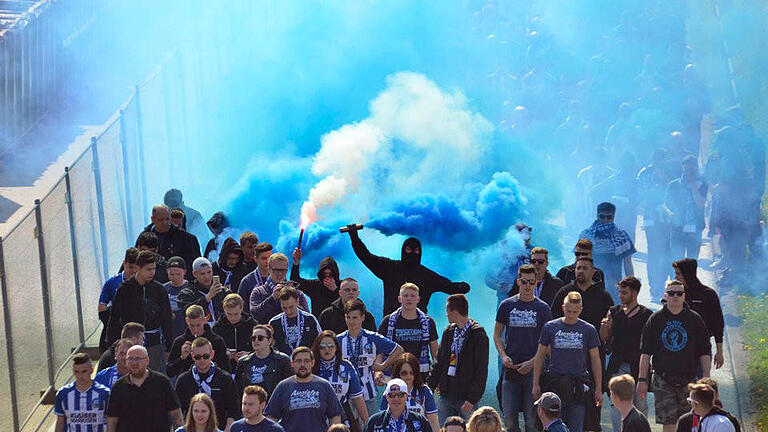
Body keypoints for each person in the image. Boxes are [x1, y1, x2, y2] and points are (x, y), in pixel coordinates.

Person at [637, 280, 712, 432]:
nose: (675, 296)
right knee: (668, 422)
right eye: (671, 293)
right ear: (665, 295)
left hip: (689, 379)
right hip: (663, 379)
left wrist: (706, 379)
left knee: (689, 422)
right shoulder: (655, 319)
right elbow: (645, 352)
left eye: (679, 293)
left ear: (684, 296)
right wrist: (642, 380)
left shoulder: (694, 319)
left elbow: (704, 351)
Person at [345, 227, 469, 315]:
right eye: (409, 249)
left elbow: (448, 286)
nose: (412, 253)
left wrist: (460, 287)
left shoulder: (427, 276)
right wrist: (355, 239)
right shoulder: (389, 267)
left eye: (415, 251)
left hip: (418, 328)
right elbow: (366, 257)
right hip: (391, 327)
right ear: (403, 249)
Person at [533, 292, 602, 432]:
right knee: (552, 427)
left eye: (575, 312)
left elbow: (595, 359)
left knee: (576, 427)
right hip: (555, 383)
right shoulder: (550, 327)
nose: (571, 315)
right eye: (568, 311)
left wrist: (599, 388)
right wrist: (535, 384)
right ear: (563, 307)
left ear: (581, 310)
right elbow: (539, 356)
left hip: (578, 386)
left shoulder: (589, 329)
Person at [494, 265, 551, 432]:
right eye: (524, 282)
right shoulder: (506, 305)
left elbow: (548, 344)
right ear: (518, 281)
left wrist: (533, 363)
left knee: (531, 421)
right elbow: (497, 335)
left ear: (536, 283)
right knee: (510, 420)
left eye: (531, 282)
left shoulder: (543, 308)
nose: (527, 286)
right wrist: (503, 356)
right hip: (510, 369)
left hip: (533, 371)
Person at [599, 276, 651, 432]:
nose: (620, 296)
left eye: (624, 292)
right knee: (617, 404)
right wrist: (604, 327)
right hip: (618, 364)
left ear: (634, 293)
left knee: (640, 406)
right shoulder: (614, 312)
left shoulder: (646, 314)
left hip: (638, 365)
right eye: (620, 292)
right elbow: (604, 338)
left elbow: (648, 345)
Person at [106, 250, 173, 373]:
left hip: (153, 342)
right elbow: (114, 318)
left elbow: (166, 318)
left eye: (154, 269)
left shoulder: (158, 289)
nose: (152, 273)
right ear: (138, 268)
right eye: (148, 269)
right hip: (130, 342)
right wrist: (113, 344)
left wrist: (169, 346)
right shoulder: (125, 289)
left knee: (153, 376)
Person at [338, 299, 404, 418]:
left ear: (363, 317)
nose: (351, 321)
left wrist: (382, 366)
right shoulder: (338, 340)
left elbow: (398, 350)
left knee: (370, 426)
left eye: (355, 317)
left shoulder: (372, 337)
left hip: (368, 394)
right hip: (345, 396)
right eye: (348, 317)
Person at [429, 294, 488, 421]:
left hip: (466, 399)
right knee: (443, 428)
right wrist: (430, 387)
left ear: (454, 312)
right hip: (447, 396)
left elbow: (481, 370)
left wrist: (472, 399)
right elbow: (439, 362)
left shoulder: (478, 335)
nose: (446, 315)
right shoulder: (448, 332)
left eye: (447, 311)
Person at [265, 346, 344, 431]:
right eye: (298, 361)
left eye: (306, 361)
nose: (302, 364)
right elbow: (271, 418)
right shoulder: (283, 386)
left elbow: (335, 416)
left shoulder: (324, 386)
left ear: (312, 363)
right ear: (292, 363)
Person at [106, 345, 183, 431]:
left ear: (147, 361)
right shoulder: (118, 387)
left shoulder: (162, 382)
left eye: (138, 359)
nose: (134, 363)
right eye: (130, 359)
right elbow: (112, 420)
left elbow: (175, 414)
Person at [175, 338, 241, 431]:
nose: (202, 360)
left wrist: (227, 430)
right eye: (198, 357)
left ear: (212, 354)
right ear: (192, 356)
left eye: (205, 356)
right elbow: (178, 410)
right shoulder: (183, 380)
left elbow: (233, 409)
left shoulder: (225, 379)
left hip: (219, 427)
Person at [378, 283, 439, 382]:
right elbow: (379, 348)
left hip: (420, 374)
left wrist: (438, 374)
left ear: (418, 299)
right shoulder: (388, 321)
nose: (409, 299)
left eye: (412, 296)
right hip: (394, 373)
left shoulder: (428, 322)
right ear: (399, 299)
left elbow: (434, 350)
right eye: (405, 296)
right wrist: (378, 370)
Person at [673, 258, 726, 370]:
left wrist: (720, 352)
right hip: (677, 348)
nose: (676, 277)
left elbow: (718, 325)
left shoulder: (708, 294)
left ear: (688, 274)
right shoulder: (676, 294)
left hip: (701, 348)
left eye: (678, 274)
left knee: (699, 385)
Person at [312, 330, 369, 431]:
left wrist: (368, 423)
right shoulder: (311, 366)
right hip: (315, 415)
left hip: (342, 416)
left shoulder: (347, 366)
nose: (327, 349)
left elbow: (357, 398)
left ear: (337, 348)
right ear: (317, 348)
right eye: (322, 347)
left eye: (331, 346)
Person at [578, 202, 635, 299]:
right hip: (591, 283)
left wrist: (632, 285)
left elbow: (627, 263)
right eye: (602, 216)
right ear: (597, 216)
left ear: (613, 217)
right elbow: (579, 260)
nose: (605, 220)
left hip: (615, 286)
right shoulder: (586, 235)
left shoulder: (621, 236)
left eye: (609, 217)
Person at [636, 148, 673, 299]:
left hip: (667, 218)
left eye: (662, 161)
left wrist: (663, 177)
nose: (659, 164)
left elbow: (675, 190)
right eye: (657, 161)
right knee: (653, 251)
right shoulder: (644, 173)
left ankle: (662, 282)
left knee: (666, 251)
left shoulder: (670, 171)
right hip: (651, 218)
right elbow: (640, 194)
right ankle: (654, 286)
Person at [381, 353, 440, 432]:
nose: (408, 376)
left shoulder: (425, 392)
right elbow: (382, 421)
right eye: (404, 373)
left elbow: (433, 421)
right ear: (398, 373)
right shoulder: (388, 392)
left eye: (412, 373)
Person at [168, 305, 231, 378]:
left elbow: (226, 371)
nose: (195, 330)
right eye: (192, 325)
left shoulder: (217, 341)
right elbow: (169, 372)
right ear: (186, 321)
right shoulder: (180, 341)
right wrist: (182, 358)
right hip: (189, 386)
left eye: (198, 325)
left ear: (205, 320)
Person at [551, 258, 613, 330]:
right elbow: (553, 318)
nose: (580, 271)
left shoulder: (603, 296)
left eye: (585, 268)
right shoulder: (564, 292)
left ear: (593, 272)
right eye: (578, 268)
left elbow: (610, 322)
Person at [666, 155, 708, 261]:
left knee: (691, 265)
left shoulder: (702, 184)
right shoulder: (673, 184)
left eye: (693, 168)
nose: (689, 171)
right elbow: (666, 205)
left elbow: (700, 204)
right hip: (677, 229)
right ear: (683, 168)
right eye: (687, 168)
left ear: (697, 169)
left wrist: (693, 184)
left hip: (695, 229)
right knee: (677, 263)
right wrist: (670, 214)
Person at [54, 353, 110, 432]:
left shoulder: (104, 393)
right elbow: (60, 422)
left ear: (91, 370)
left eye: (84, 371)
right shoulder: (63, 393)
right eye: (77, 372)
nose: (80, 376)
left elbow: (110, 422)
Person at [98, 247, 139, 352]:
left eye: (136, 268)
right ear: (124, 263)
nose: (133, 271)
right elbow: (101, 307)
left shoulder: (144, 283)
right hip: (116, 330)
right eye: (130, 267)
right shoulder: (112, 282)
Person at [140, 204, 201, 275]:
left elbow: (195, 264)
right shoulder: (144, 237)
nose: (164, 223)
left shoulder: (185, 238)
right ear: (153, 219)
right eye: (160, 220)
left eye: (167, 219)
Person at [235, 325, 293, 397]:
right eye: (253, 338)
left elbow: (289, 387)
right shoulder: (243, 362)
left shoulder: (282, 360)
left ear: (269, 341)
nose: (256, 340)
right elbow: (237, 389)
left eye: (260, 338)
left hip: (273, 403)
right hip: (250, 404)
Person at [250, 254, 310, 324]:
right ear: (269, 269)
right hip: (268, 333)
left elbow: (307, 317)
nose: (280, 274)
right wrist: (272, 298)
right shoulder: (258, 291)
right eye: (276, 270)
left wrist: (291, 299)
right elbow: (255, 315)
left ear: (287, 270)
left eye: (283, 270)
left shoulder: (297, 293)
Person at [486, 223, 534, 306]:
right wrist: (498, 286)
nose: (527, 240)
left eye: (528, 237)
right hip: (506, 298)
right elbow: (488, 277)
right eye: (524, 236)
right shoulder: (502, 251)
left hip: (528, 297)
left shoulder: (533, 252)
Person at [364, 378, 433, 432]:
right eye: (392, 395)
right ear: (387, 397)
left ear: (406, 396)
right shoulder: (374, 421)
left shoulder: (420, 420)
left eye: (400, 395)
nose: (396, 399)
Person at [269, 287, 322, 354]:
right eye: (284, 308)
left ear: (297, 301)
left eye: (291, 307)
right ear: (280, 303)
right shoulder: (274, 322)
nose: (288, 311)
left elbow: (320, 342)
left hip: (305, 361)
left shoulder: (310, 319)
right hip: (283, 362)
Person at [291, 249, 342, 316]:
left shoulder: (343, 286)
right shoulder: (315, 285)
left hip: (340, 324)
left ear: (335, 274)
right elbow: (295, 281)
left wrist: (335, 289)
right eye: (325, 274)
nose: (327, 277)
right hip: (319, 325)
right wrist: (296, 263)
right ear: (321, 274)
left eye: (330, 274)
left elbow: (349, 302)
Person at [179, 257, 229, 324]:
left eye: (209, 272)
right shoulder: (186, 294)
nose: (207, 276)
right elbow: (187, 312)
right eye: (202, 274)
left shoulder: (223, 291)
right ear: (194, 274)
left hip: (221, 331)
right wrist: (207, 297)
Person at [213, 293, 255, 370]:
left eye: (236, 314)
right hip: (225, 369)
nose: (233, 318)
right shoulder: (217, 327)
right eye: (229, 314)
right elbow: (212, 351)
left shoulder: (252, 325)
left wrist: (250, 354)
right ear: (224, 309)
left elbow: (262, 347)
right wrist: (224, 353)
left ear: (241, 308)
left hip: (248, 368)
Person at [166, 256, 191, 340]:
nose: (175, 277)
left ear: (184, 272)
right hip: (170, 331)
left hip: (187, 330)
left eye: (178, 274)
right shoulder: (163, 289)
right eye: (172, 274)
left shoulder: (191, 287)